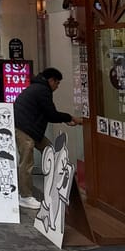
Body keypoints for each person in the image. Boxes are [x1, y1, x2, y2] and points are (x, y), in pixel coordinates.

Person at [13, 67, 82, 209]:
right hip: (24, 129)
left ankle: (57, 185)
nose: (57, 87)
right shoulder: (42, 90)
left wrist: (65, 119)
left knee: (51, 151)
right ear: (51, 80)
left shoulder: (37, 87)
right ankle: (25, 196)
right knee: (27, 162)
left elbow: (48, 114)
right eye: (57, 83)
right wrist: (70, 118)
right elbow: (51, 114)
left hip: (30, 129)